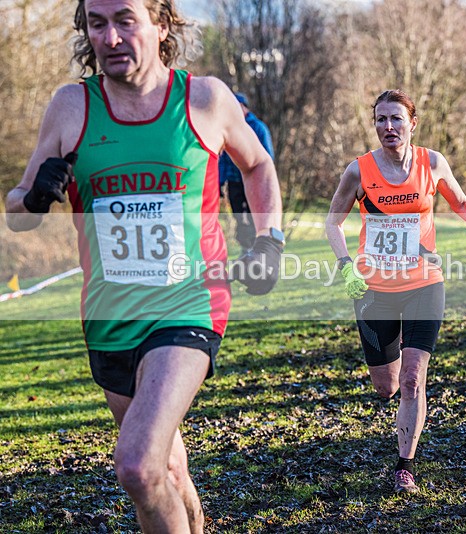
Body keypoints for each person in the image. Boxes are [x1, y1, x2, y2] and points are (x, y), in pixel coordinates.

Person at [4, 1, 284, 532]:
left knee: (136, 465)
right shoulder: (70, 107)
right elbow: (18, 209)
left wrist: (269, 240)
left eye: (125, 20)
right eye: (97, 23)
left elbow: (259, 163)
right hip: (109, 319)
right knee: (168, 472)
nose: (110, 37)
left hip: (189, 306)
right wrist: (35, 196)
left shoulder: (204, 98)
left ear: (161, 24)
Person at [326, 90, 466, 493]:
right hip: (373, 287)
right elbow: (332, 223)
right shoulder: (358, 171)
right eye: (380, 120)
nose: (388, 127)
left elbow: (461, 202)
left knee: (413, 380)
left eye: (396, 119)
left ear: (412, 123)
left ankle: (404, 466)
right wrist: (345, 267)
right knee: (387, 386)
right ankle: (391, 391)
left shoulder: (432, 163)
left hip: (424, 283)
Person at [219, 92, 275, 250]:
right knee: (239, 217)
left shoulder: (258, 127)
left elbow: (267, 158)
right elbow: (223, 159)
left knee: (254, 217)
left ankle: (257, 249)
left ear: (243, 107)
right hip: (234, 182)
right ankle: (246, 247)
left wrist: (264, 179)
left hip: (253, 181)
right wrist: (220, 181)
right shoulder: (229, 129)